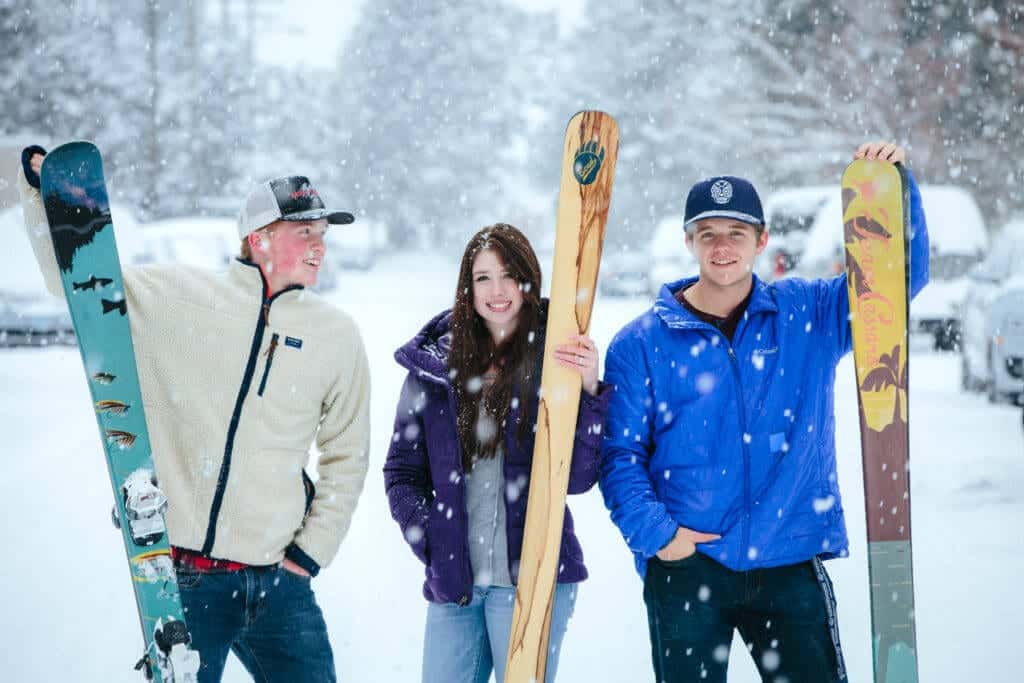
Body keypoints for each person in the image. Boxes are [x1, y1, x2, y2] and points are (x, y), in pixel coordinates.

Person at [19, 149, 371, 683]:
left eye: (323, 234)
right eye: (305, 234)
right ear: (259, 238)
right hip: (186, 581)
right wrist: (47, 195)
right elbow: (77, 282)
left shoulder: (337, 336)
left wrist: (309, 554)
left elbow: (349, 453)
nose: (320, 247)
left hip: (278, 582)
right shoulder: (177, 298)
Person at [598, 142, 930, 683]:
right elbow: (619, 457)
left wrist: (892, 187)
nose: (722, 247)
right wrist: (660, 536)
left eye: (736, 234)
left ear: (761, 240)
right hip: (688, 566)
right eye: (708, 235)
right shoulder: (640, 344)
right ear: (689, 242)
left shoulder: (808, 314)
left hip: (788, 559)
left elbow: (894, 285)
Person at [383, 223, 610, 683]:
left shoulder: (557, 359)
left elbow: (579, 477)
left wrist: (588, 392)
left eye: (509, 275)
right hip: (455, 587)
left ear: (530, 280)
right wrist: (431, 539)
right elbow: (402, 472)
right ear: (468, 287)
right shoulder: (433, 369)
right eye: (483, 277)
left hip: (533, 580)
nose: (497, 290)